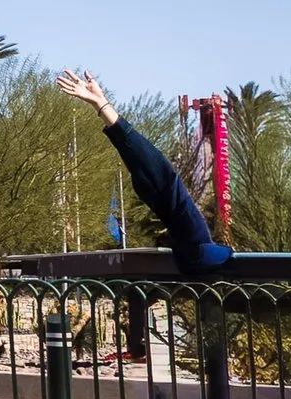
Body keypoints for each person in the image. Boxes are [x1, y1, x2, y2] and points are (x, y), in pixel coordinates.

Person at [57, 69, 233, 277]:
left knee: (150, 165)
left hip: (177, 225)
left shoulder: (190, 233)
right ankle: (105, 111)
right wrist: (101, 104)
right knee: (147, 164)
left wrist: (101, 104)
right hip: (182, 242)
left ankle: (105, 110)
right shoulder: (189, 238)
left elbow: (146, 159)